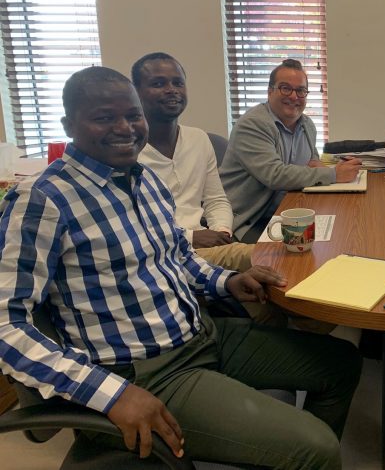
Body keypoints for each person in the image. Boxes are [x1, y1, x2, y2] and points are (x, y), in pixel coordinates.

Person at [0, 66, 362, 469]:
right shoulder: (43, 200)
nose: (125, 128)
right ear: (69, 124)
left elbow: (178, 258)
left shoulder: (144, 180)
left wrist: (228, 281)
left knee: (342, 362)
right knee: (317, 448)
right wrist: (110, 393)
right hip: (144, 373)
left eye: (133, 116)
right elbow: (6, 324)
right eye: (104, 117)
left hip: (200, 336)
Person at [132, 51, 317, 329]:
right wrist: (194, 236)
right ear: (135, 92)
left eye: (177, 82)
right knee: (275, 260)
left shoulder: (198, 139)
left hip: (213, 240)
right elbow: (134, 228)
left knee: (287, 259)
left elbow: (217, 199)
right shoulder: (126, 153)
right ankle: (302, 322)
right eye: (158, 83)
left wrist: (222, 231)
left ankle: (307, 320)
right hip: (169, 249)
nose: (171, 89)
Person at [220, 59, 361, 242]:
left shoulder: (307, 126)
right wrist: (333, 174)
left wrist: (323, 169)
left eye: (301, 90)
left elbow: (312, 165)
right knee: (305, 253)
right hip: (249, 220)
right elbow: (275, 175)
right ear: (270, 91)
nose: (294, 96)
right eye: (285, 88)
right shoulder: (253, 124)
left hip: (287, 211)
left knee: (340, 233)